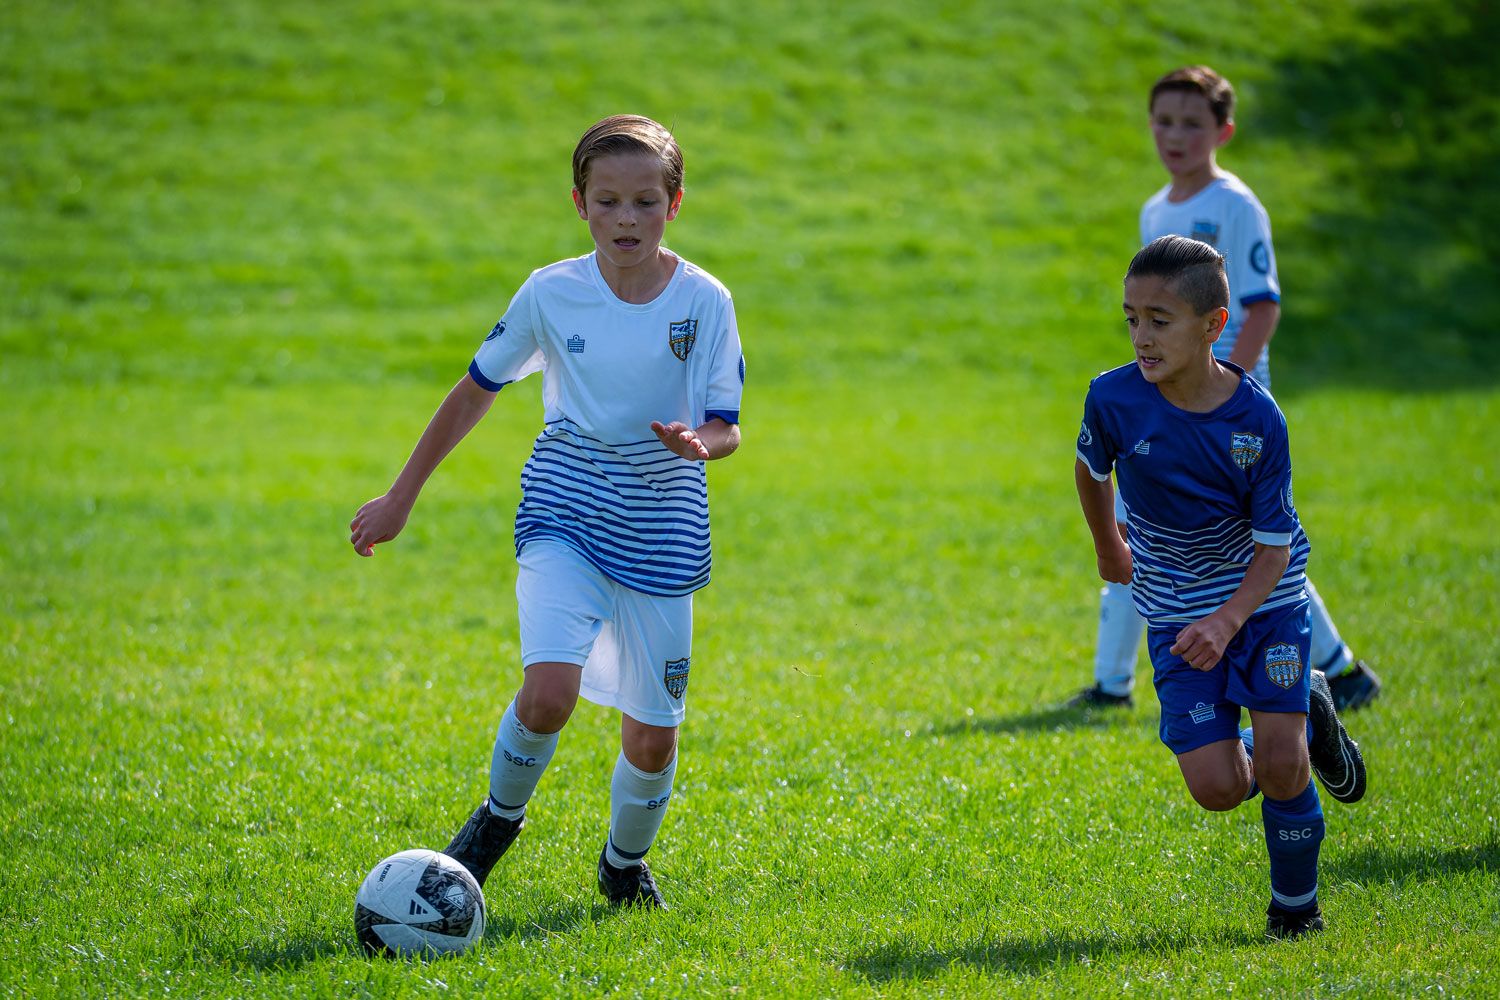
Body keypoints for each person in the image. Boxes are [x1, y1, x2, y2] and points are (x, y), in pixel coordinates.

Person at [349, 114, 746, 910]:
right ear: (580, 204)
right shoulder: (550, 292)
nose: (625, 219)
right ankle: (494, 825)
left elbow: (725, 423)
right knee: (549, 695)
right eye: (607, 202)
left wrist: (697, 445)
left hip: (663, 529)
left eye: (643, 201)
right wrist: (401, 495)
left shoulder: (705, 301)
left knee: (653, 738)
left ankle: (623, 867)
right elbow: (474, 391)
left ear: (674, 204)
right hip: (565, 506)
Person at [1076, 235, 1367, 938]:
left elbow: (1274, 551)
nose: (1141, 337)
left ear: (1214, 325)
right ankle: (1308, 710)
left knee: (1280, 761)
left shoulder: (1257, 419)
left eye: (1160, 320)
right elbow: (1091, 469)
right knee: (1218, 789)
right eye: (1131, 318)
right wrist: (1108, 544)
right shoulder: (1113, 399)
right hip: (1176, 611)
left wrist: (1227, 622)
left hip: (1263, 606)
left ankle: (1294, 910)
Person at [1071, 65, 1381, 713]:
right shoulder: (1155, 209)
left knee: (1257, 545)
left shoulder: (1237, 206)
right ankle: (1112, 684)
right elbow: (1158, 307)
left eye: (1191, 123)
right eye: (1163, 121)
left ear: (1224, 131)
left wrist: (1224, 388)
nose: (1174, 135)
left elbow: (1262, 307)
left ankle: (1337, 670)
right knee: (1145, 529)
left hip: (1226, 408)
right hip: (1167, 401)